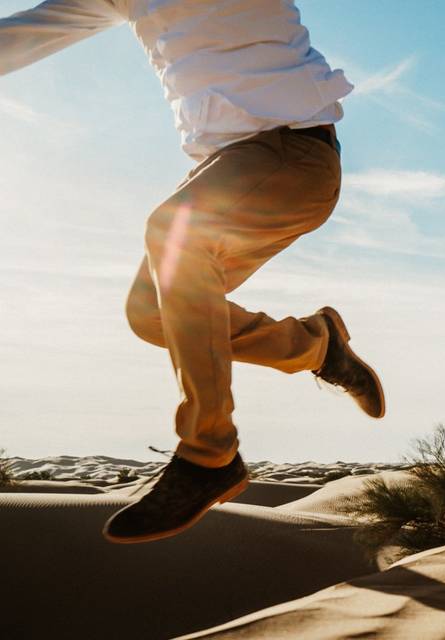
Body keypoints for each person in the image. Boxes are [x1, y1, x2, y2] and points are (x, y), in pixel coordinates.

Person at [0, 0, 385, 542]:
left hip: (295, 157)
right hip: (228, 174)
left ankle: (209, 455)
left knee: (171, 230)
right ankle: (318, 346)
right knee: (152, 315)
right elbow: (24, 34)